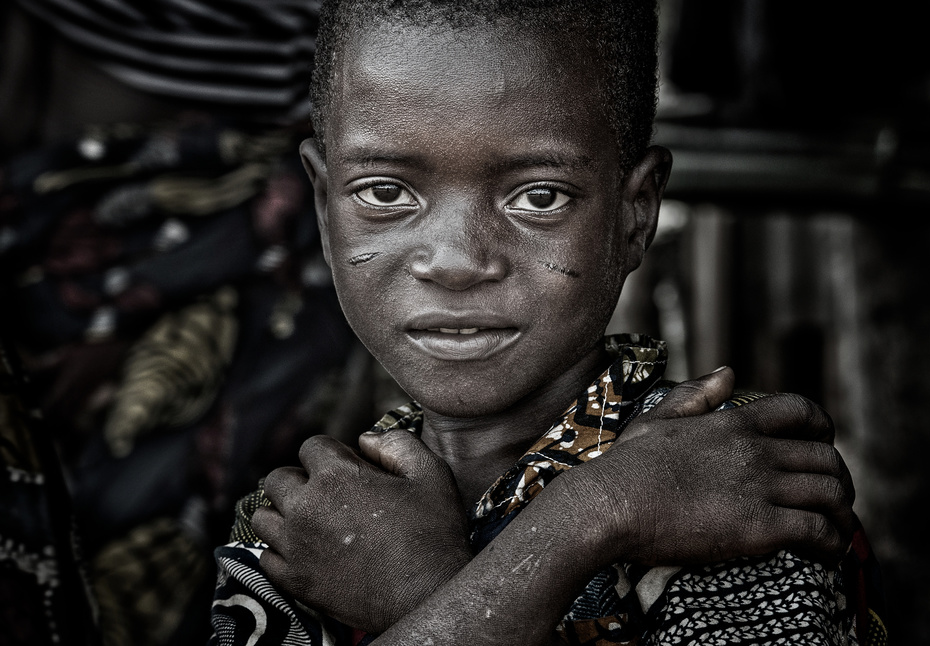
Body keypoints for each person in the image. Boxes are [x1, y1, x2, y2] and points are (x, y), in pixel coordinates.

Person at [210, 1, 886, 645]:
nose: (456, 260)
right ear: (326, 211)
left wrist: (431, 593)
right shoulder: (311, 522)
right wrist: (590, 518)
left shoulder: (729, 485)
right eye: (386, 193)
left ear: (636, 214)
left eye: (539, 196)